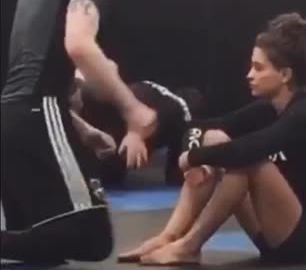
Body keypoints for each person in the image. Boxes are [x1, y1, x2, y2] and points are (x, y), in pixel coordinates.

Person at [119, 12, 306, 266]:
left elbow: (252, 149)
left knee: (248, 161)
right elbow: (196, 128)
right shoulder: (267, 109)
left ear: (285, 75)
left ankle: (189, 246)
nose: (249, 75)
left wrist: (193, 157)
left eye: (258, 68)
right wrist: (195, 157)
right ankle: (169, 237)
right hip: (273, 234)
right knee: (215, 138)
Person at [0, 0, 157, 266]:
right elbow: (80, 45)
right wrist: (132, 108)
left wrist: (82, 129)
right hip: (37, 114)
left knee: (45, 245)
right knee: (92, 236)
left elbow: (33, 73)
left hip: (13, 121)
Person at [73, 71, 206, 186]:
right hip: (121, 126)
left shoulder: (103, 95)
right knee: (109, 173)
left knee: (182, 175)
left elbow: (155, 112)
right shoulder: (74, 106)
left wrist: (135, 133)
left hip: (163, 112)